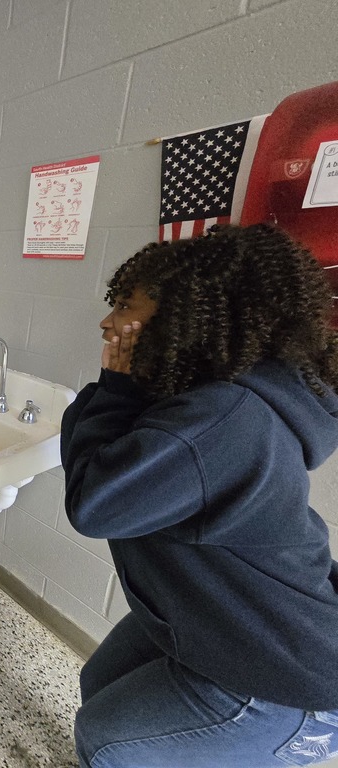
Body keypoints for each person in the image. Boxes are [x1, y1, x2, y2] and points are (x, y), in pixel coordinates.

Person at [60, 224, 338, 767]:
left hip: (286, 676)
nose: (107, 322)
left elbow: (94, 502)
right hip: (223, 620)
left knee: (106, 738)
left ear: (179, 317)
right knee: (100, 681)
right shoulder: (208, 399)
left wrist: (114, 386)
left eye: (123, 306)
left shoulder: (221, 421)